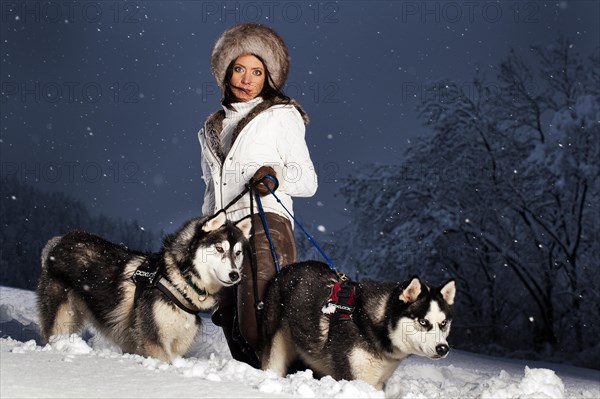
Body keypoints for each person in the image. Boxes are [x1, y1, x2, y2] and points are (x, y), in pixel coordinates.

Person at [197, 23, 318, 367]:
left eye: (257, 72)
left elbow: (308, 180)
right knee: (233, 326)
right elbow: (212, 188)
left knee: (259, 320)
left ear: (269, 77)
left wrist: (275, 176)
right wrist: (207, 228)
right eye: (239, 69)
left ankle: (306, 376)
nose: (247, 79)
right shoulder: (210, 130)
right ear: (225, 72)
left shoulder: (281, 116)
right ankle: (264, 384)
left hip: (266, 224)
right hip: (224, 234)